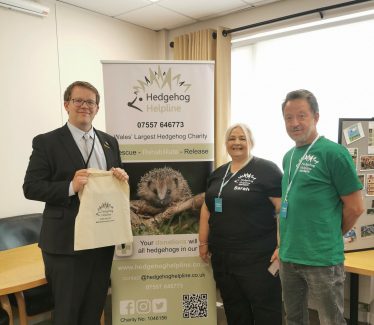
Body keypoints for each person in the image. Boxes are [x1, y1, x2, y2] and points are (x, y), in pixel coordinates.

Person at [23, 81, 129, 325]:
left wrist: (120, 177)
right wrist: (70, 187)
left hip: (102, 239)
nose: (84, 106)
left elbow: (113, 181)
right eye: (78, 101)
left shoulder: (109, 142)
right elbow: (31, 187)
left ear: (97, 108)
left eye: (90, 102)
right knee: (68, 312)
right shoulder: (46, 142)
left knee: (93, 309)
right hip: (65, 243)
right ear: (66, 105)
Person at [279, 89, 365, 325]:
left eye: (301, 116)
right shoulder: (288, 157)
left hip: (322, 258)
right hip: (289, 257)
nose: (294, 123)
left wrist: (331, 235)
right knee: (294, 319)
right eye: (288, 117)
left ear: (316, 117)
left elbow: (356, 207)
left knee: (331, 321)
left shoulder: (334, 153)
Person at [199, 123, 283, 325]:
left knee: (266, 310)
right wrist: (203, 242)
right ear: (226, 144)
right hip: (222, 256)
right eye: (231, 138)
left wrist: (282, 245)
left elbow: (284, 210)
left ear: (251, 142)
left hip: (258, 258)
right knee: (233, 308)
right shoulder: (218, 174)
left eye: (242, 138)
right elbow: (207, 207)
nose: (236, 143)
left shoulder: (267, 170)